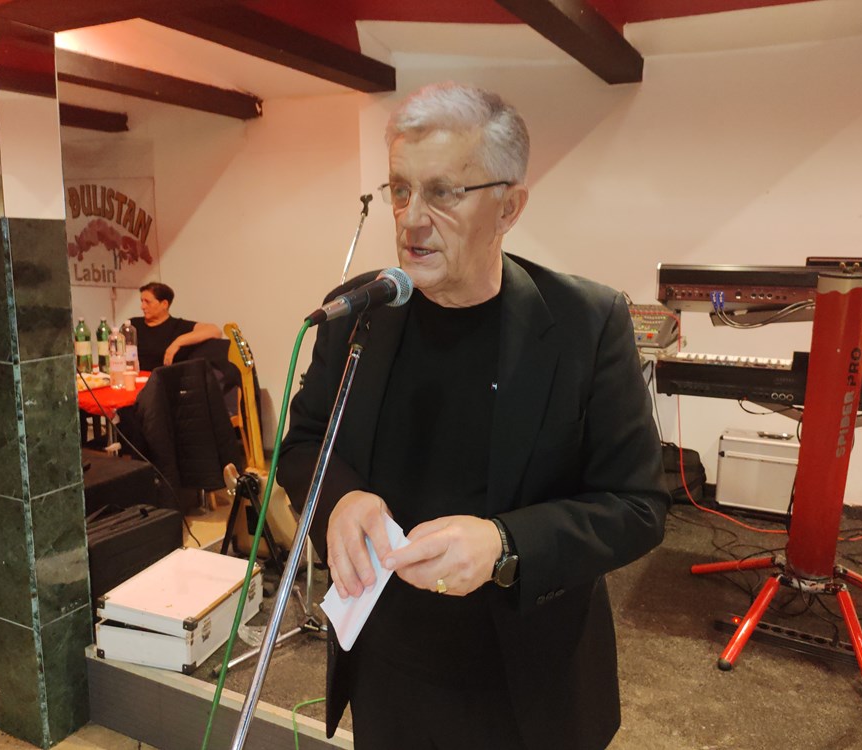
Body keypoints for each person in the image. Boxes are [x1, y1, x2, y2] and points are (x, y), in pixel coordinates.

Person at [276, 82, 670, 750]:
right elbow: (305, 442)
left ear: (508, 206)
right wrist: (340, 499)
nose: (411, 219)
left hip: (528, 688)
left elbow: (637, 507)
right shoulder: (360, 311)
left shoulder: (586, 323)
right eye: (401, 189)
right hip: (387, 672)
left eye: (443, 192)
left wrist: (507, 544)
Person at [130, 282, 221, 371]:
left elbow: (215, 330)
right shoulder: (133, 325)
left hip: (162, 378)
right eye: (142, 301)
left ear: (164, 304)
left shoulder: (178, 326)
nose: (142, 306)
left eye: (148, 302)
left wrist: (178, 342)